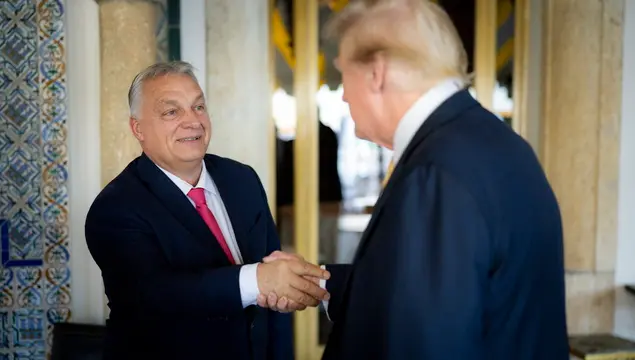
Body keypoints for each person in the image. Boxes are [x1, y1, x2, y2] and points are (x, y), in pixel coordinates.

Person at [259, 0, 568, 359]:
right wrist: (324, 283)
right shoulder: (496, 143)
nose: (343, 94)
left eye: (343, 73)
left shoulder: (435, 174)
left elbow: (426, 342)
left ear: (376, 73)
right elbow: (445, 290)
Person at [84, 61, 330, 360]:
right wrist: (259, 280)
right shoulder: (115, 207)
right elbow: (156, 295)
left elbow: (271, 296)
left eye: (198, 107)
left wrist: (280, 286)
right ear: (138, 128)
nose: (193, 121)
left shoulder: (242, 179)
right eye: (171, 112)